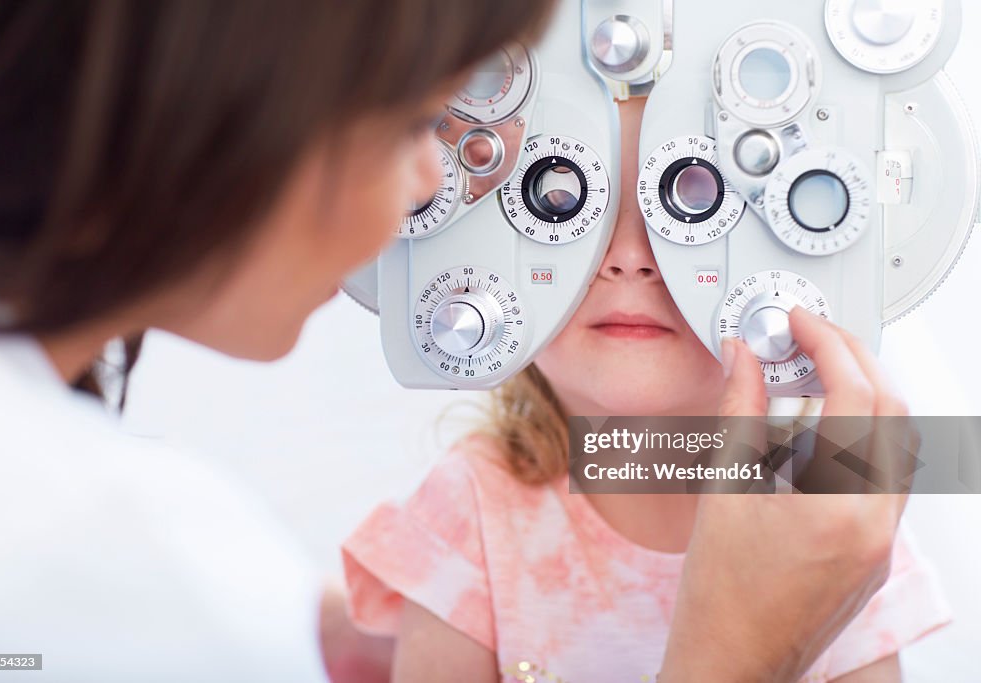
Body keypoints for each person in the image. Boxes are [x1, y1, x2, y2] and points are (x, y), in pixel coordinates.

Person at [0, 2, 916, 681]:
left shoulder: (832, 521)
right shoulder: (145, 568)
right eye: (417, 114)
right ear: (219, 96)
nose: (430, 183)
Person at [341, 97, 946, 681]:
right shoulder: (465, 513)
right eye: (562, 200)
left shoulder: (835, 521)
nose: (630, 258)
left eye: (696, 200)